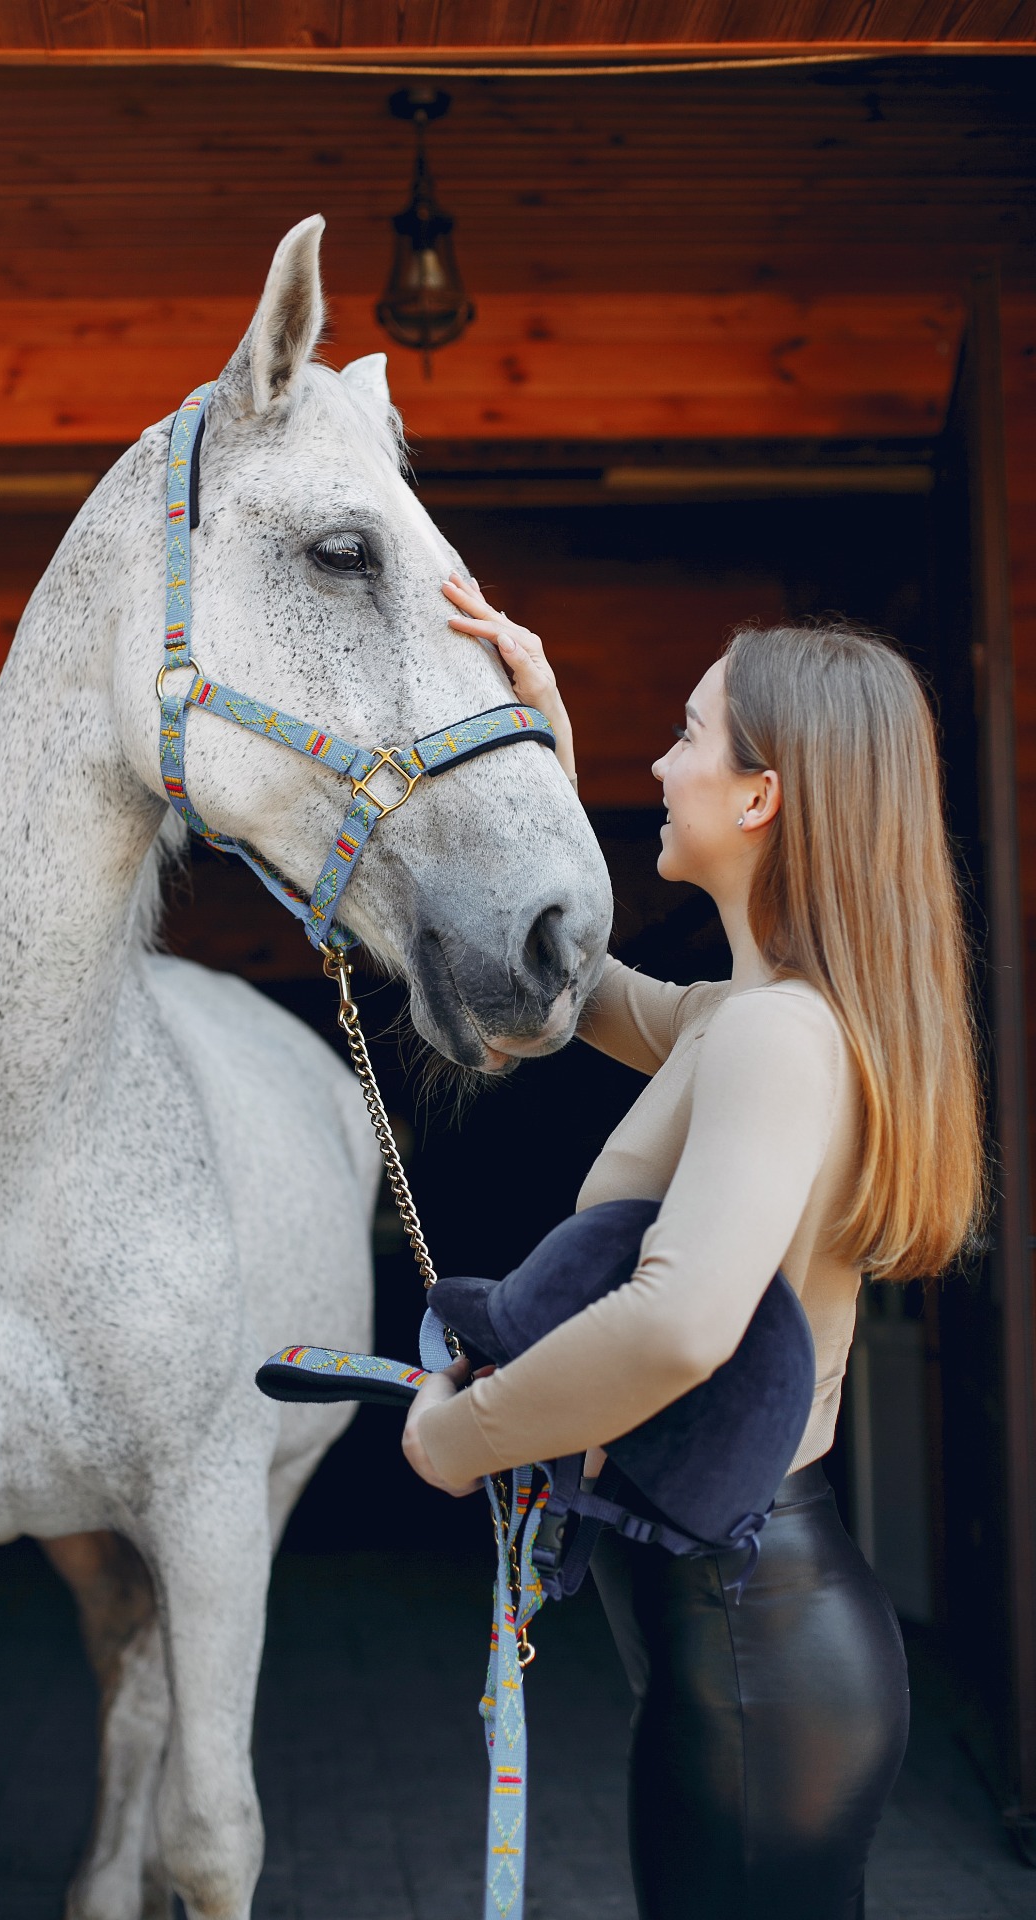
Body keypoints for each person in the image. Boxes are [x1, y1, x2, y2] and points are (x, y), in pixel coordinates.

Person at [401, 576, 986, 1920]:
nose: (661, 765)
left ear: (761, 796)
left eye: (684, 735)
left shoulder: (777, 1038)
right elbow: (579, 984)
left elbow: (679, 1324)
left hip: (752, 1654)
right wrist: (532, 743)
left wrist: (465, 1435)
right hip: (749, 1642)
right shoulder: (750, 1018)